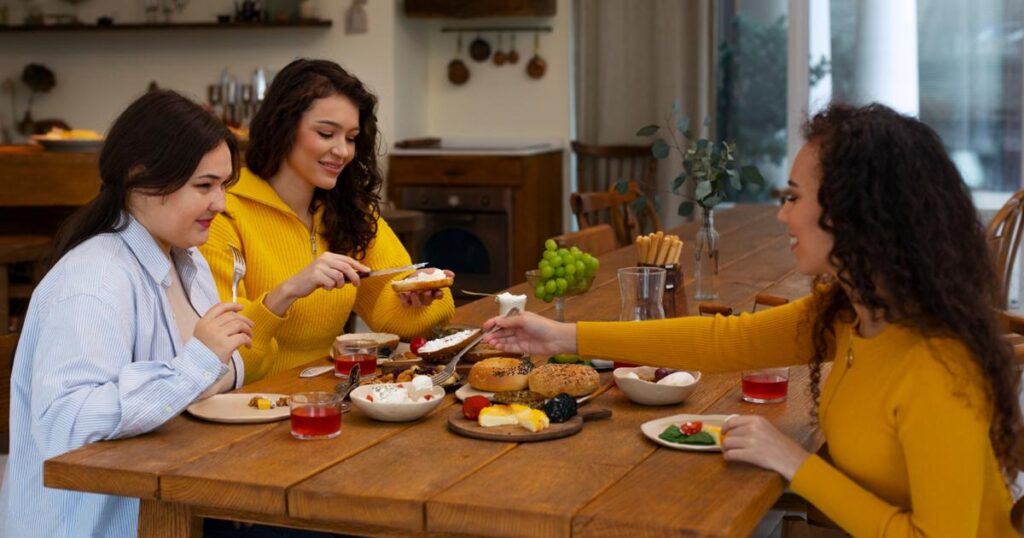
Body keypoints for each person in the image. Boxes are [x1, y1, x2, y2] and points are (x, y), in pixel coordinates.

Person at [484, 103, 1023, 536]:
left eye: (793, 198)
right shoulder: (850, 312)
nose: (783, 214)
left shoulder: (938, 367)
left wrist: (795, 462)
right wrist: (562, 334)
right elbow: (727, 339)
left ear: (854, 212)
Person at [0, 90, 251, 537]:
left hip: (177, 498)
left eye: (223, 186)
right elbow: (68, 423)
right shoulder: (92, 281)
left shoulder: (187, 261)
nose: (221, 204)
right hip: (102, 524)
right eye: (204, 186)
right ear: (140, 177)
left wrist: (208, 362)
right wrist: (196, 363)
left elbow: (220, 366)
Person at [200, 59, 454, 383]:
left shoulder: (349, 212)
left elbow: (398, 319)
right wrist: (288, 292)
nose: (342, 151)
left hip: (326, 400)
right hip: (247, 409)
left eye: (350, 138)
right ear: (283, 126)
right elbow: (227, 358)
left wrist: (423, 297)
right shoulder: (224, 213)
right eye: (326, 133)